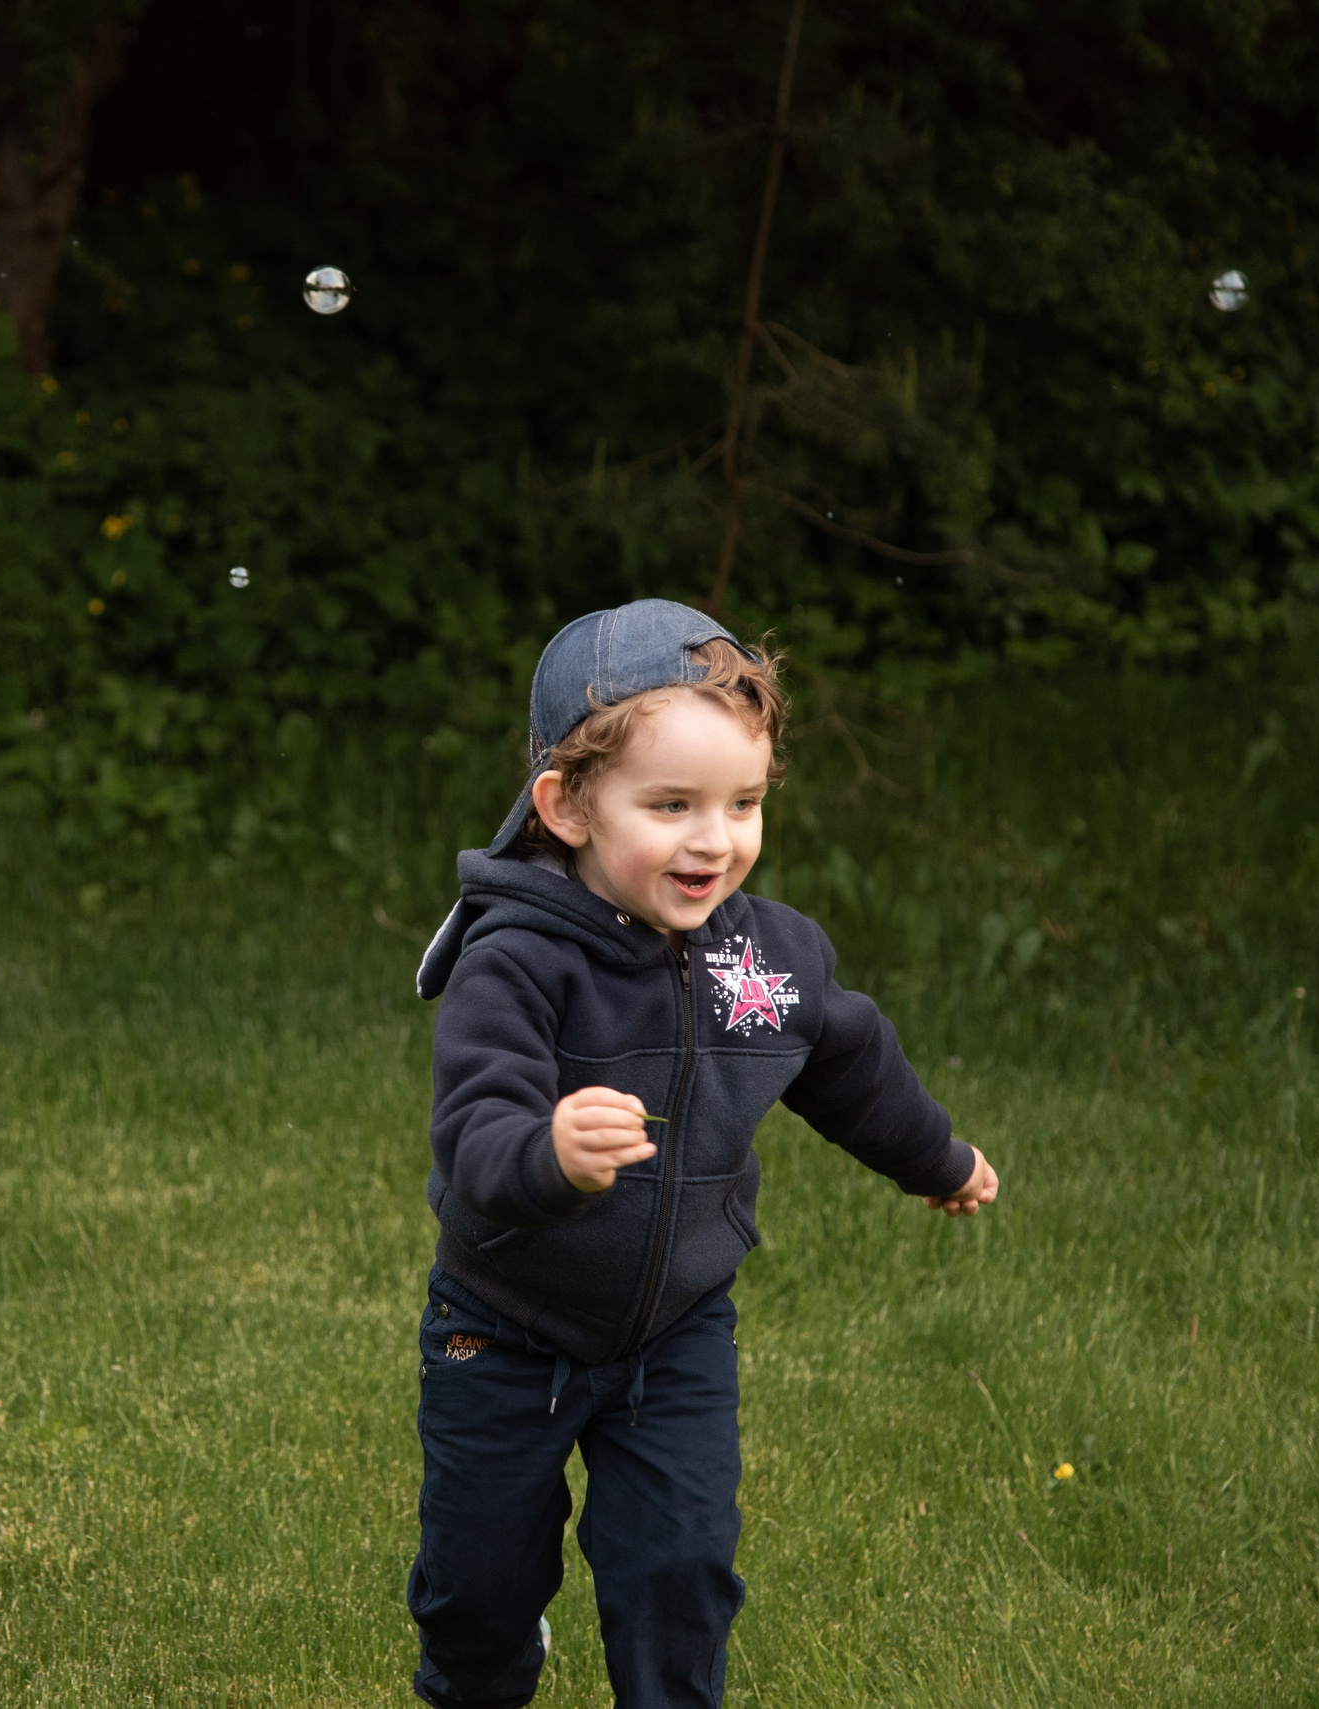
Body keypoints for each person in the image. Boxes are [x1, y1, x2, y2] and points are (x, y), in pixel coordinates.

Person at [408, 598, 999, 1708]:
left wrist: (938, 1157)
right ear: (567, 806)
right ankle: (482, 1670)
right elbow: (475, 1137)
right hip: (504, 1326)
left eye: (742, 802)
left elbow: (851, 1065)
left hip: (673, 1334)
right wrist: (548, 1150)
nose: (713, 838)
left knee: (678, 1565)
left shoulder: (765, 957)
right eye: (670, 804)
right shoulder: (517, 961)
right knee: (479, 1581)